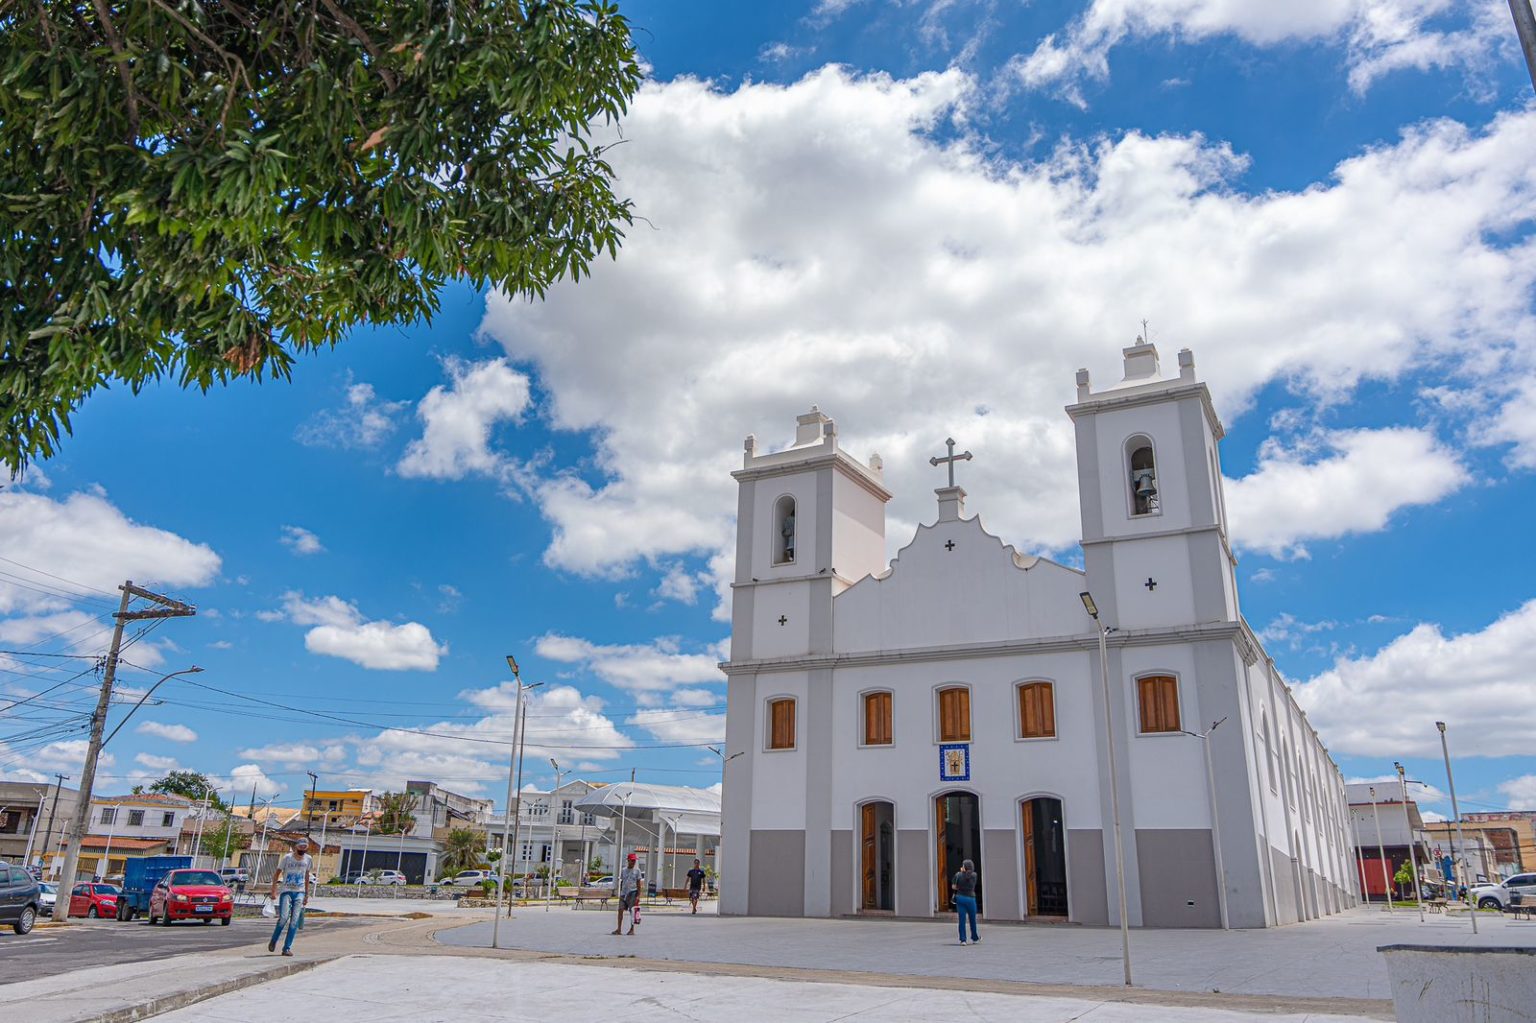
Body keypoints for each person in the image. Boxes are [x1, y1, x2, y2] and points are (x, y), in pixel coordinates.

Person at [268, 837, 314, 956]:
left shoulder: (308, 859)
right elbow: (277, 874)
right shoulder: (287, 858)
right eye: (300, 847)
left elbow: (307, 876)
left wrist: (306, 894)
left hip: (300, 891)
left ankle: (286, 948)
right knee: (283, 917)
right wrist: (274, 891)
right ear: (296, 846)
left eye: (305, 847)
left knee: (294, 921)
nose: (302, 849)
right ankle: (274, 940)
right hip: (287, 890)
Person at [613, 852, 643, 936]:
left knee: (632, 911)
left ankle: (632, 929)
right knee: (620, 910)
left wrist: (638, 895)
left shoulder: (637, 871)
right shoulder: (623, 870)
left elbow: (638, 883)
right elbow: (622, 881)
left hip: (633, 893)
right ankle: (619, 929)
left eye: (634, 861)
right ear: (628, 860)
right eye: (632, 861)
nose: (633, 862)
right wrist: (621, 891)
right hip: (624, 893)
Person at [952, 859, 980, 945]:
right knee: (972, 919)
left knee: (962, 920)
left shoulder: (958, 875)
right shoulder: (974, 875)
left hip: (960, 898)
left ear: (964, 867)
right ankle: (974, 938)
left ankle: (963, 940)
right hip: (971, 898)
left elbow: (953, 887)